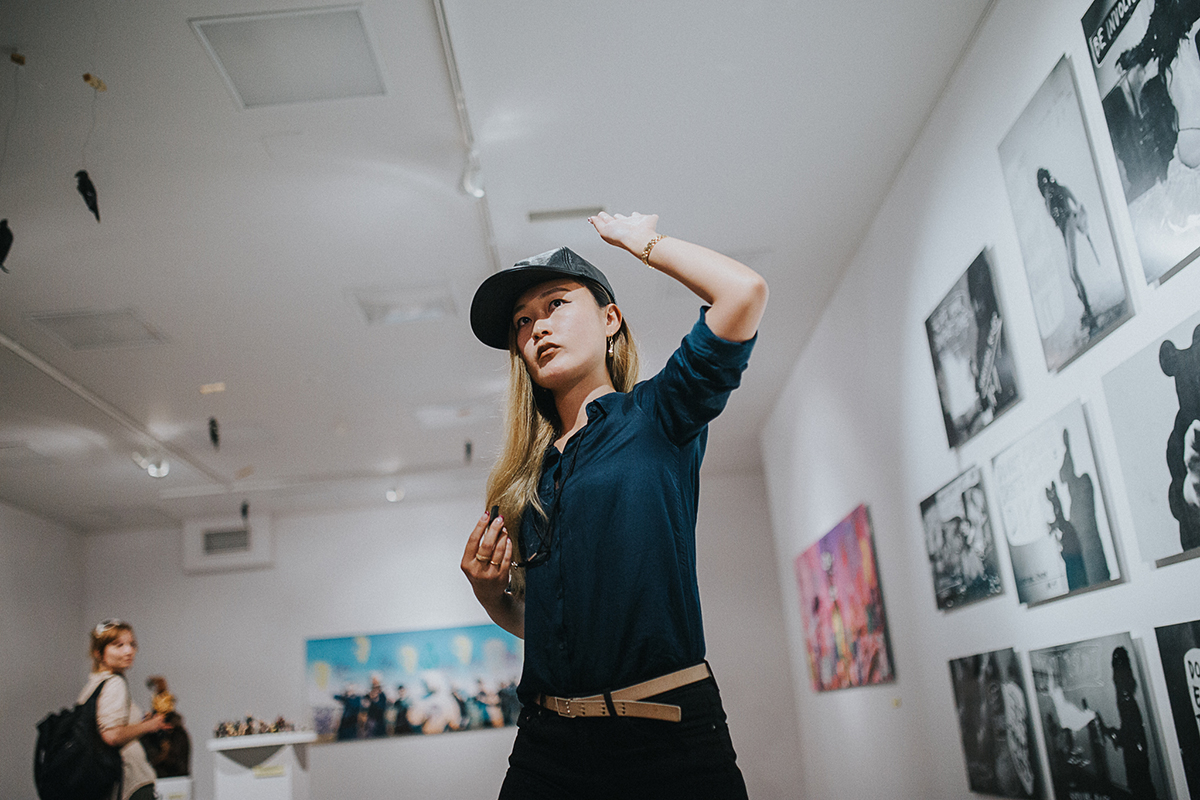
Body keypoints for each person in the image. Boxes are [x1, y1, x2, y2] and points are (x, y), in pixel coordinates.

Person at [462, 211, 767, 799]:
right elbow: (548, 626)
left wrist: (642, 242)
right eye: (523, 322)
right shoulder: (526, 478)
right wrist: (491, 595)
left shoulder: (658, 415)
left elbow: (742, 292)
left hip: (666, 736)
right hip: (546, 745)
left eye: (555, 304)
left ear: (610, 319)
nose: (537, 328)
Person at [79, 619, 172, 800]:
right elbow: (111, 735)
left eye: (132, 644)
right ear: (99, 652)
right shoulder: (114, 683)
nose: (129, 651)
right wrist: (150, 725)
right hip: (129, 782)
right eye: (118, 645)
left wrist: (139, 724)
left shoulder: (93, 686)